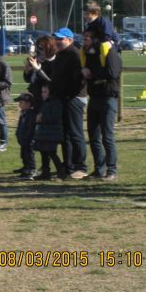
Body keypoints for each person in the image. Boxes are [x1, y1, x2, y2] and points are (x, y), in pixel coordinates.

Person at [81, 29, 122, 181]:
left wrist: (92, 73)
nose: (84, 41)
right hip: (94, 97)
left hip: (108, 98)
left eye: (87, 38)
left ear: (95, 40)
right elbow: (87, 74)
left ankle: (112, 170)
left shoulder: (110, 53)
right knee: (93, 136)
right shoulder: (89, 55)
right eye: (83, 38)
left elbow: (112, 73)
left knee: (107, 136)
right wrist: (83, 71)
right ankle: (99, 169)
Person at [52, 27, 87, 179]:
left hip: (74, 98)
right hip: (62, 98)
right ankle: (68, 165)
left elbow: (78, 80)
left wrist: (69, 95)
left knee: (75, 133)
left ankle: (81, 166)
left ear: (70, 40)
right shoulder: (59, 55)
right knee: (65, 134)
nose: (58, 42)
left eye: (61, 39)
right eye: (57, 39)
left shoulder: (75, 55)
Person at [33, 84, 65, 181]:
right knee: (43, 152)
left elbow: (55, 117)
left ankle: (61, 171)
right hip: (44, 131)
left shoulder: (56, 103)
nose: (43, 94)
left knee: (51, 152)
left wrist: (41, 118)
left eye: (45, 92)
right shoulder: (45, 102)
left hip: (52, 132)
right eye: (42, 92)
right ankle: (45, 173)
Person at [13, 92, 36, 180]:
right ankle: (26, 168)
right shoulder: (23, 113)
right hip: (23, 140)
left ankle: (31, 170)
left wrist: (27, 138)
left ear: (28, 104)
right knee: (23, 155)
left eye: (21, 103)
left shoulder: (30, 114)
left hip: (28, 140)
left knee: (29, 155)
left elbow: (30, 128)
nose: (19, 104)